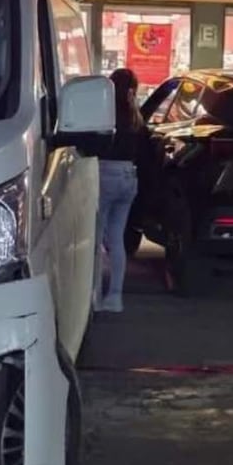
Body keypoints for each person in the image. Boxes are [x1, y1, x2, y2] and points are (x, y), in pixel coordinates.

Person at [93, 68, 149, 313]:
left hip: (105, 174)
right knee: (116, 239)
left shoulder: (105, 115)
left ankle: (93, 294)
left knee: (95, 239)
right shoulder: (137, 116)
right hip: (129, 177)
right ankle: (115, 297)